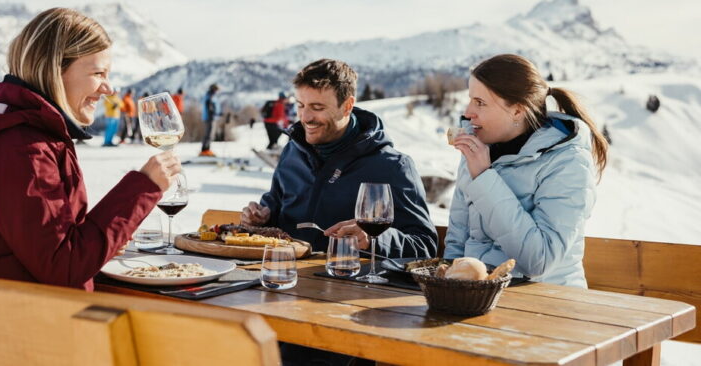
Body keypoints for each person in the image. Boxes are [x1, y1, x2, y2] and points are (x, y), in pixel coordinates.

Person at [0, 7, 181, 290]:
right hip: (28, 320)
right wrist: (143, 187)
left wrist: (98, 241)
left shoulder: (24, 134)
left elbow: (41, 242)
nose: (107, 88)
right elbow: (64, 265)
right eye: (98, 73)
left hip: (10, 307)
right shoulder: (24, 148)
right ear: (54, 71)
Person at [242, 59, 438, 258]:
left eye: (317, 108)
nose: (305, 117)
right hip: (284, 276)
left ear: (347, 106)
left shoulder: (393, 166)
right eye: (301, 105)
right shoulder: (292, 151)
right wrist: (260, 219)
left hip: (351, 283)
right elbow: (273, 206)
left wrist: (373, 239)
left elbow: (424, 246)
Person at [444, 54, 608, 288]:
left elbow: (538, 261)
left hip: (546, 307)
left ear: (518, 111)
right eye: (470, 99)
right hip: (477, 300)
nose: (468, 112)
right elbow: (457, 242)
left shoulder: (568, 162)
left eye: (480, 102)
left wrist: (483, 177)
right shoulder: (478, 150)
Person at [199, 83, 221, 157]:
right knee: (209, 134)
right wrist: (214, 113)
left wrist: (218, 113)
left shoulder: (211, 95)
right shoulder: (210, 96)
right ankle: (205, 150)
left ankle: (206, 149)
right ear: (214, 89)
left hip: (211, 117)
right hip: (210, 118)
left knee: (209, 134)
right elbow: (210, 107)